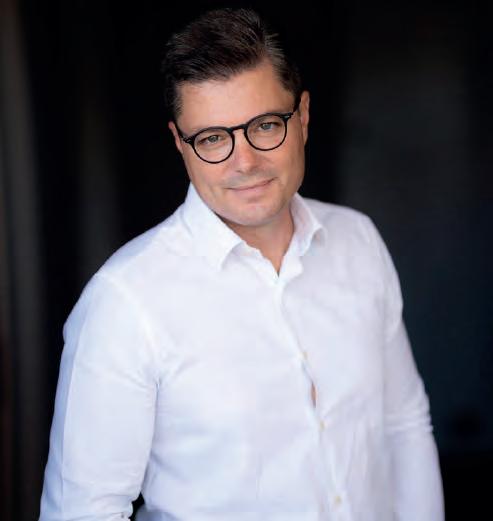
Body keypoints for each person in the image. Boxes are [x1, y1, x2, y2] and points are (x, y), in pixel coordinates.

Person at [39, 7, 444, 521]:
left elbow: (403, 424)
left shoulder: (357, 240)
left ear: (302, 117)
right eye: (212, 138)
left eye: (265, 125)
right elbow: (85, 511)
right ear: (180, 144)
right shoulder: (124, 302)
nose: (244, 161)